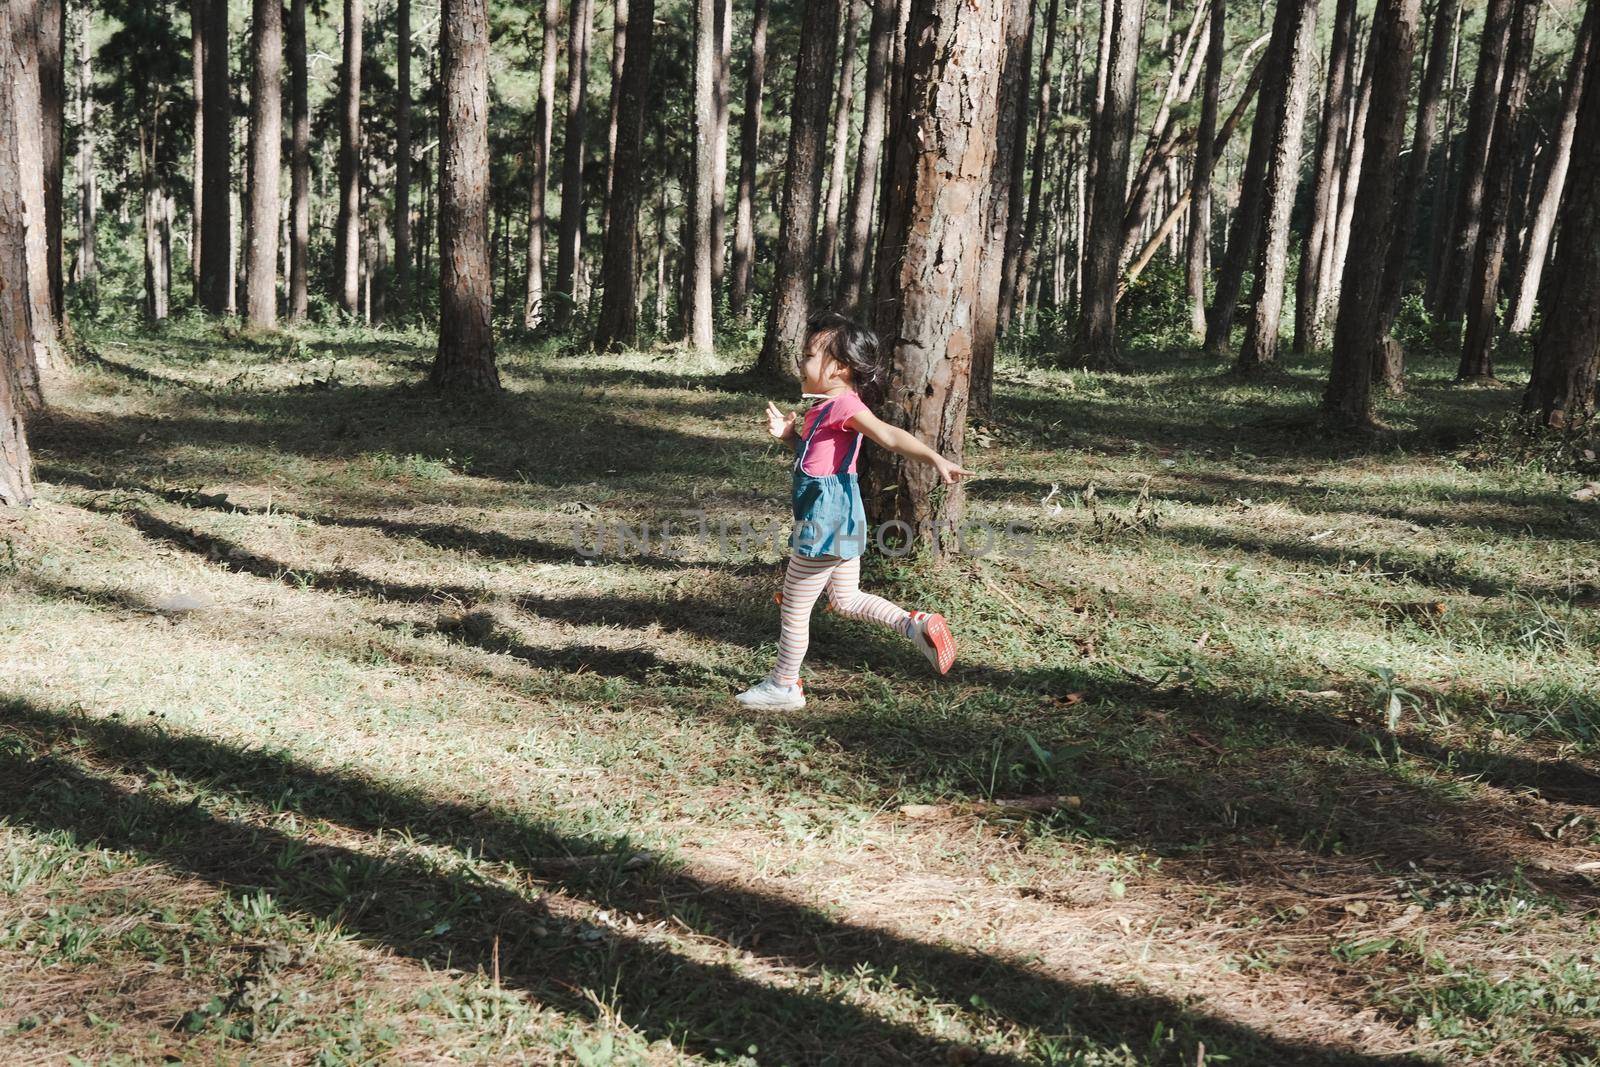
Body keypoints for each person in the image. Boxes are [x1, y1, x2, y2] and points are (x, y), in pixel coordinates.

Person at [735, 311, 975, 711]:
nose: (802, 362)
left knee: (795, 606)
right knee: (846, 599)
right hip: (842, 516)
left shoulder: (845, 405)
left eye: (811, 355)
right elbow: (817, 460)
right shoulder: (825, 407)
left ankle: (784, 685)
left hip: (825, 521)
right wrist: (791, 437)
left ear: (840, 368)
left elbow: (887, 435)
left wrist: (935, 457)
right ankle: (913, 624)